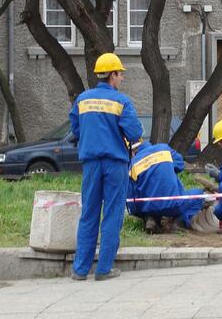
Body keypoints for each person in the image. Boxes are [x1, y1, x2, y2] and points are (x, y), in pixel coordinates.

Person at [69, 53, 143, 281]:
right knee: (112, 215)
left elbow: (76, 129)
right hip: (115, 164)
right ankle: (103, 270)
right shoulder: (121, 101)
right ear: (112, 75)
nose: (121, 79)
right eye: (120, 74)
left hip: (91, 164)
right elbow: (135, 133)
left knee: (89, 214)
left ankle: (80, 270)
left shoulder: (82, 100)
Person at [126, 140, 204, 234]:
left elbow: (132, 203)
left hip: (149, 207)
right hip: (174, 204)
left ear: (132, 152)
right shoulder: (164, 149)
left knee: (143, 200)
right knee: (200, 195)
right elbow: (180, 165)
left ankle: (150, 218)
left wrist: (142, 214)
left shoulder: (132, 165)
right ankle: (179, 222)